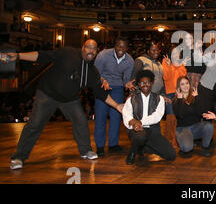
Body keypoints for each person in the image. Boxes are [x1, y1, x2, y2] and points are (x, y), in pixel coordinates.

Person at [4, 40, 125, 170]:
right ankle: (18, 157)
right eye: (88, 47)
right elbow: (42, 56)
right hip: (47, 94)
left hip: (69, 99)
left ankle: (86, 151)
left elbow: (101, 93)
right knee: (35, 125)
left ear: (96, 52)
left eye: (94, 49)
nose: (91, 50)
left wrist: (117, 106)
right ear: (82, 47)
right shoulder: (67, 53)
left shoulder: (92, 71)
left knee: (81, 121)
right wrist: (19, 56)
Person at [122, 70, 176, 165]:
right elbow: (126, 114)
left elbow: (156, 117)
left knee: (171, 155)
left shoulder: (159, 99)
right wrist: (134, 123)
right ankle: (132, 153)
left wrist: (140, 122)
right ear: (138, 84)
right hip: (136, 131)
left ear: (152, 83)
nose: (145, 85)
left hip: (152, 131)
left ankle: (143, 147)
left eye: (147, 82)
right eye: (142, 83)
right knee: (140, 136)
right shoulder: (132, 98)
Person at [93, 37, 134, 156]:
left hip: (118, 88)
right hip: (102, 87)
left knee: (116, 116)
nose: (120, 49)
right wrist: (102, 80)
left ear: (127, 48)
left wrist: (127, 83)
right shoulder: (103, 55)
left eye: (123, 47)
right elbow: (95, 73)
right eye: (118, 46)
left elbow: (126, 78)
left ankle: (113, 144)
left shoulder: (130, 61)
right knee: (101, 117)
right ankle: (100, 147)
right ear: (114, 46)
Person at [130, 41, 175, 147]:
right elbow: (133, 79)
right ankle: (140, 146)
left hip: (155, 98)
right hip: (142, 98)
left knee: (155, 123)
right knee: (142, 123)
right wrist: (135, 96)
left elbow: (162, 81)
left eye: (157, 50)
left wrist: (162, 96)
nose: (156, 52)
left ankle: (153, 146)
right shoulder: (140, 60)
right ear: (147, 51)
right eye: (153, 50)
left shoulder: (159, 63)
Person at [173, 76, 214, 157]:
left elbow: (201, 112)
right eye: (182, 84)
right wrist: (180, 99)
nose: (185, 86)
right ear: (179, 87)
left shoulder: (195, 97)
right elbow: (180, 115)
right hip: (183, 129)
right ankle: (184, 143)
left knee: (209, 126)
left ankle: (205, 147)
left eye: (187, 83)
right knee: (187, 149)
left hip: (196, 127)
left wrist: (197, 97)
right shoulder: (176, 100)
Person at [162, 46, 187, 147]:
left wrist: (181, 64)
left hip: (179, 93)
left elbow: (183, 76)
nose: (176, 55)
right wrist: (168, 65)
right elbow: (166, 77)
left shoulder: (180, 64)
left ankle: (176, 140)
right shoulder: (165, 61)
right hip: (169, 93)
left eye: (177, 53)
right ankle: (168, 140)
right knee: (170, 116)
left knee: (178, 117)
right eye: (174, 53)